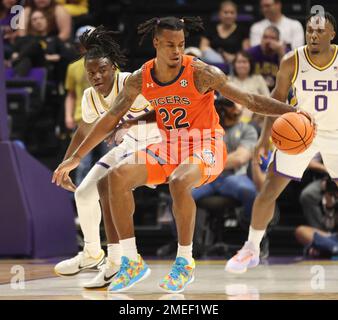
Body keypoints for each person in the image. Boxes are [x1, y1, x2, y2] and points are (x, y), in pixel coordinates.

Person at [52, 16, 303, 293]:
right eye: (170, 45)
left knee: (179, 180)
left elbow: (250, 101)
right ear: (156, 42)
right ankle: (131, 260)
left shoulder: (201, 72)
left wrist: (292, 112)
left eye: (181, 45)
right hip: (169, 145)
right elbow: (111, 117)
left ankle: (184, 261)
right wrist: (76, 156)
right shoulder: (140, 78)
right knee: (115, 177)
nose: (176, 51)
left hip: (205, 144)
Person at [226, 12, 338, 274]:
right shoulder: (291, 60)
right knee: (269, 189)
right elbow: (275, 104)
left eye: (320, 31)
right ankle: (251, 249)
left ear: (332, 34)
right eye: (310, 30)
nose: (313, 35)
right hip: (301, 130)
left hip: (336, 132)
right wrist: (265, 140)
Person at [53, 26, 161, 290]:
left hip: (158, 145)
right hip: (131, 147)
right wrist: (67, 163)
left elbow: (162, 113)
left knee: (112, 186)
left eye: (102, 69)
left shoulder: (131, 82)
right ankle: (94, 254)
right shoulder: (90, 95)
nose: (97, 76)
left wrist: (130, 124)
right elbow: (84, 129)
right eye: (91, 73)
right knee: (85, 193)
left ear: (113, 66)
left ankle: (122, 261)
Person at [200, 0, 249, 65]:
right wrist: (221, 57)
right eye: (226, 12)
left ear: (236, 14)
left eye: (232, 13)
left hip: (235, 63)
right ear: (219, 14)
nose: (229, 15)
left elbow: (246, 52)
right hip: (213, 64)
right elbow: (203, 48)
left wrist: (233, 57)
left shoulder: (243, 30)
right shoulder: (210, 29)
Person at [229, 51, 270, 122]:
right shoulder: (228, 79)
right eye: (239, 62)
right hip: (233, 116)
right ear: (234, 65)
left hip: (256, 116)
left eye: (244, 62)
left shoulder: (258, 78)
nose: (241, 65)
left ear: (250, 64)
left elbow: (268, 99)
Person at [247, 25, 290, 91]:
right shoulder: (251, 53)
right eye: (265, 37)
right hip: (255, 90)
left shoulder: (286, 53)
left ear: (278, 41)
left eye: (272, 38)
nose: (268, 41)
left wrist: (281, 54)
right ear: (261, 39)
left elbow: (288, 76)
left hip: (278, 90)